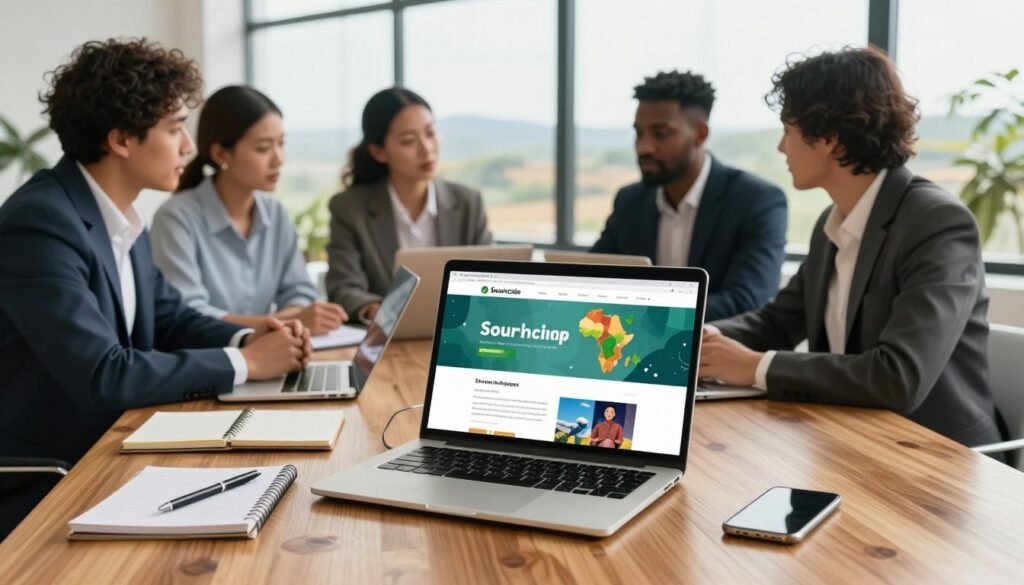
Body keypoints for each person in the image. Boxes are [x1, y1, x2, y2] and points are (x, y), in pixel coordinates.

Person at [0, 39, 311, 539]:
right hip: (51, 474)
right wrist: (249, 365)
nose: (189, 148)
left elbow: (169, 318)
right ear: (122, 139)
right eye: (174, 129)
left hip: (117, 446)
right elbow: (103, 373)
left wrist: (246, 340)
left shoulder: (120, 215)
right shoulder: (41, 223)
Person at [699, 47, 1004, 450]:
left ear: (827, 137)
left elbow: (898, 377)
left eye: (787, 130)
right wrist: (702, 338)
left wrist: (757, 366)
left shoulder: (937, 224)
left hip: (935, 459)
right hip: (850, 439)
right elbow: (778, 321)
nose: (781, 148)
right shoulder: (834, 222)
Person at [150, 85, 347, 336]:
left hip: (269, 355)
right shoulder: (175, 218)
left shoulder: (275, 213)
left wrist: (294, 318)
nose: (279, 159)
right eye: (263, 148)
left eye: (281, 144)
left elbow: (299, 291)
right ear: (222, 154)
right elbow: (189, 315)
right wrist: (282, 322)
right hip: (209, 363)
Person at [591, 71, 788, 322]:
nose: (644, 147)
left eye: (660, 134)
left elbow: (746, 301)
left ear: (700, 134)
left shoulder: (756, 201)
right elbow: (592, 278)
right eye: (639, 133)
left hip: (716, 355)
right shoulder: (630, 201)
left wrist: (648, 316)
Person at [325, 87, 492, 321]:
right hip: (390, 341)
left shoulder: (468, 203)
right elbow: (343, 288)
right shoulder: (349, 208)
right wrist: (381, 313)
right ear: (379, 151)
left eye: (430, 133)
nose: (426, 149)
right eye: (408, 141)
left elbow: (492, 278)